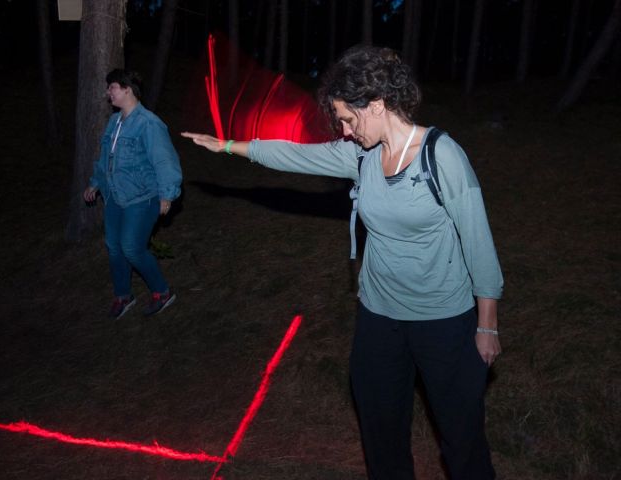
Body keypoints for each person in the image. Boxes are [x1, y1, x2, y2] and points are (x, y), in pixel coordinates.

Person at [182, 45, 502, 479]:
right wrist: (228, 147)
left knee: (461, 438)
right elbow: (295, 155)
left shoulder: (441, 156)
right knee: (380, 430)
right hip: (378, 316)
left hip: (442, 318)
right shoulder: (362, 156)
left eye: (348, 119)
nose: (346, 132)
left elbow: (479, 245)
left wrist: (486, 326)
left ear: (375, 105)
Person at [83, 69, 182, 319]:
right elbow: (106, 158)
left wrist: (167, 196)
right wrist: (95, 182)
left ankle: (162, 292)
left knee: (131, 247)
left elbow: (165, 161)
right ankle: (123, 296)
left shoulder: (149, 124)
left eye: (112, 87)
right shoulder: (114, 122)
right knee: (114, 247)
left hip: (142, 197)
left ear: (127, 89)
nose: (108, 93)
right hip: (116, 196)